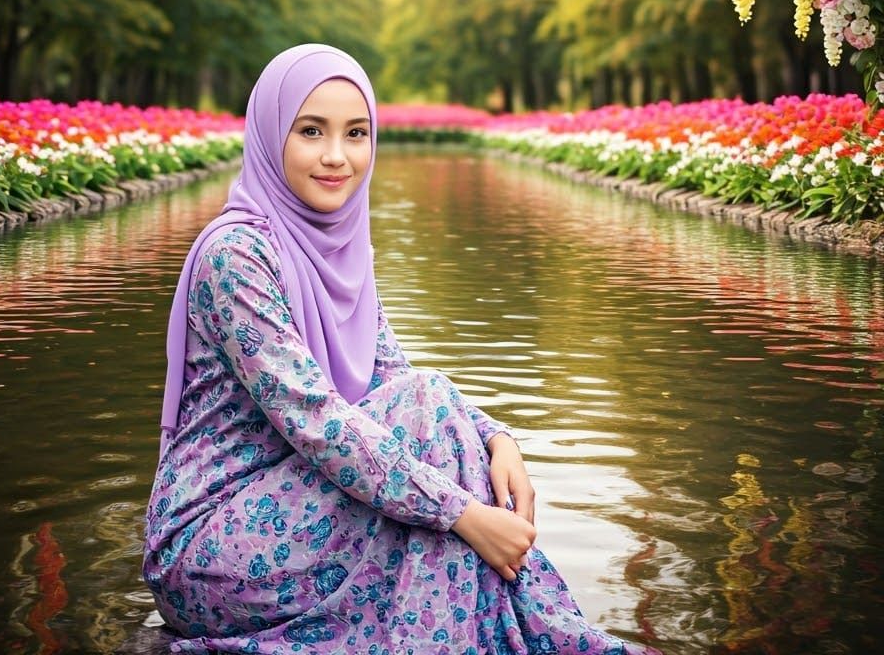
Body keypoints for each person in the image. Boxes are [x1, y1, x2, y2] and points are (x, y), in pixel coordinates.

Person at [143, 43, 661, 655]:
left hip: (308, 512)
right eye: (311, 131)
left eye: (356, 133)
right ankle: (521, 636)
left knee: (428, 408)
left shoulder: (340, 250)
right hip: (210, 551)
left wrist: (499, 439)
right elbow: (318, 421)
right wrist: (466, 515)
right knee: (429, 430)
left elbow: (394, 376)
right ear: (270, 133)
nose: (337, 156)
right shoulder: (234, 257)